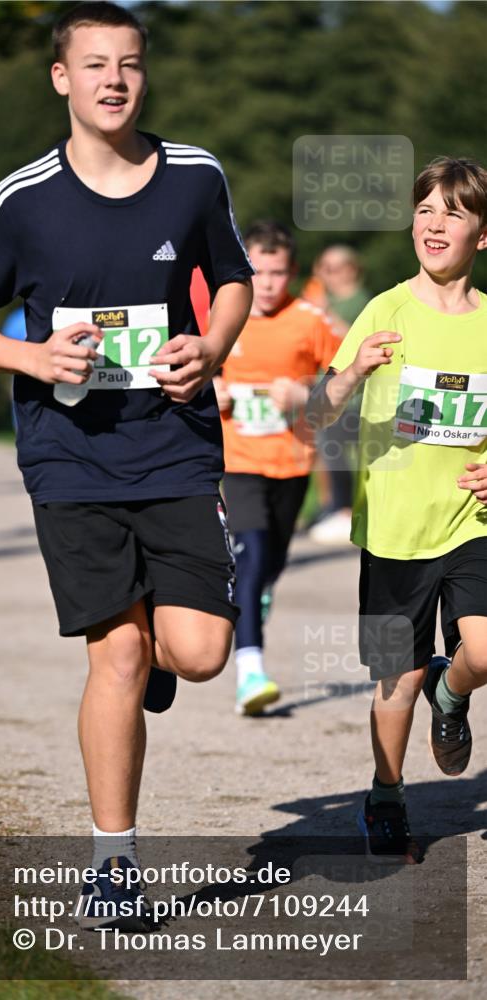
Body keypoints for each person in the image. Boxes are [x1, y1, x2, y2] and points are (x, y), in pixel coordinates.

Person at [0, 2, 253, 926]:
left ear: (144, 74)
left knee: (200, 652)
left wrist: (212, 347)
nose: (115, 80)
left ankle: (160, 649)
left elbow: (232, 278)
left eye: (130, 63)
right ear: (61, 78)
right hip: (70, 457)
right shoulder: (23, 197)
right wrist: (32, 357)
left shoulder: (194, 177)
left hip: (175, 444)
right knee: (114, 653)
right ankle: (114, 866)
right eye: (96, 64)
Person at [307, 156, 487, 863]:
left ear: (482, 234)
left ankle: (452, 691)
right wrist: (352, 371)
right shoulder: (384, 309)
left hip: (471, 520)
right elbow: (317, 414)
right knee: (395, 679)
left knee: (482, 653)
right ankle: (385, 795)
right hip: (392, 530)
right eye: (424, 210)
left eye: (453, 212)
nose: (434, 224)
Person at [214, 222, 341, 714]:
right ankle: (250, 671)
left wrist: (306, 393)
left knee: (271, 564)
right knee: (249, 556)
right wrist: (210, 391)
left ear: (293, 273)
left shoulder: (310, 320)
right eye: (258, 272)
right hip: (239, 460)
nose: (266, 283)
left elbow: (351, 382)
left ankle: (259, 593)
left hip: (292, 463)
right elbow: (187, 369)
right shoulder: (222, 313)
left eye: (277, 273)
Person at [306, 246, 371, 545]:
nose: (327, 274)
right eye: (323, 268)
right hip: (326, 392)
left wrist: (325, 311)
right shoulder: (323, 299)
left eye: (334, 268)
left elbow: (357, 341)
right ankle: (333, 507)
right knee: (326, 450)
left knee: (346, 454)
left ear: (351, 269)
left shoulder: (362, 302)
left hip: (356, 397)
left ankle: (346, 510)